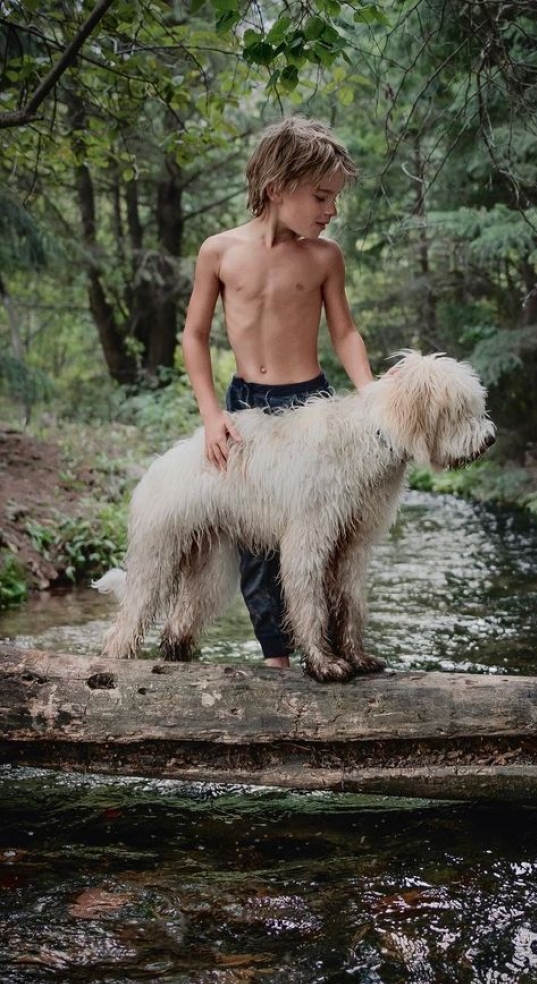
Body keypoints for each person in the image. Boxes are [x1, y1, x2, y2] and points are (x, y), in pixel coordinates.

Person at [180, 115, 374, 669]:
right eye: (320, 196)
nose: (330, 210)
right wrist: (212, 414)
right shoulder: (220, 251)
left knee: (325, 532)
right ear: (276, 187)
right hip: (245, 408)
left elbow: (344, 332)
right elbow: (194, 337)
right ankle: (277, 656)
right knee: (257, 541)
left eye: (334, 199)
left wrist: (368, 395)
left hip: (311, 405)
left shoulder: (324, 257)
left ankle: (335, 644)